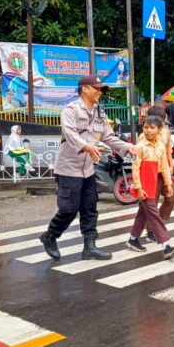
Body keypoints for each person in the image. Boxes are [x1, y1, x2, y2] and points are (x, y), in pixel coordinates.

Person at [39, 75, 136, 261]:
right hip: (68, 168)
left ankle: (89, 246)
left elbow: (108, 136)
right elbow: (71, 134)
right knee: (69, 208)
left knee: (90, 207)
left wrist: (128, 147)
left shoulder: (100, 113)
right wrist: (88, 147)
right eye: (96, 88)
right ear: (85, 89)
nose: (100, 92)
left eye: (101, 89)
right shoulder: (70, 110)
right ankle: (50, 236)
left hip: (88, 169)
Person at [126, 115, 174, 259]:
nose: (148, 131)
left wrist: (168, 184)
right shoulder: (140, 147)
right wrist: (138, 187)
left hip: (153, 182)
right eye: (146, 127)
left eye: (152, 128)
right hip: (143, 184)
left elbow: (164, 167)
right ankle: (166, 245)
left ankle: (132, 239)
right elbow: (135, 168)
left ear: (159, 129)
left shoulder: (161, 146)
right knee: (154, 214)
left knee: (143, 213)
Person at [139, 106, 174, 243]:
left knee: (171, 198)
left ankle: (158, 224)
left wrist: (171, 165)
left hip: (164, 170)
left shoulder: (166, 132)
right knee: (151, 203)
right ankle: (151, 230)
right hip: (151, 171)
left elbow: (168, 150)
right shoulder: (144, 136)